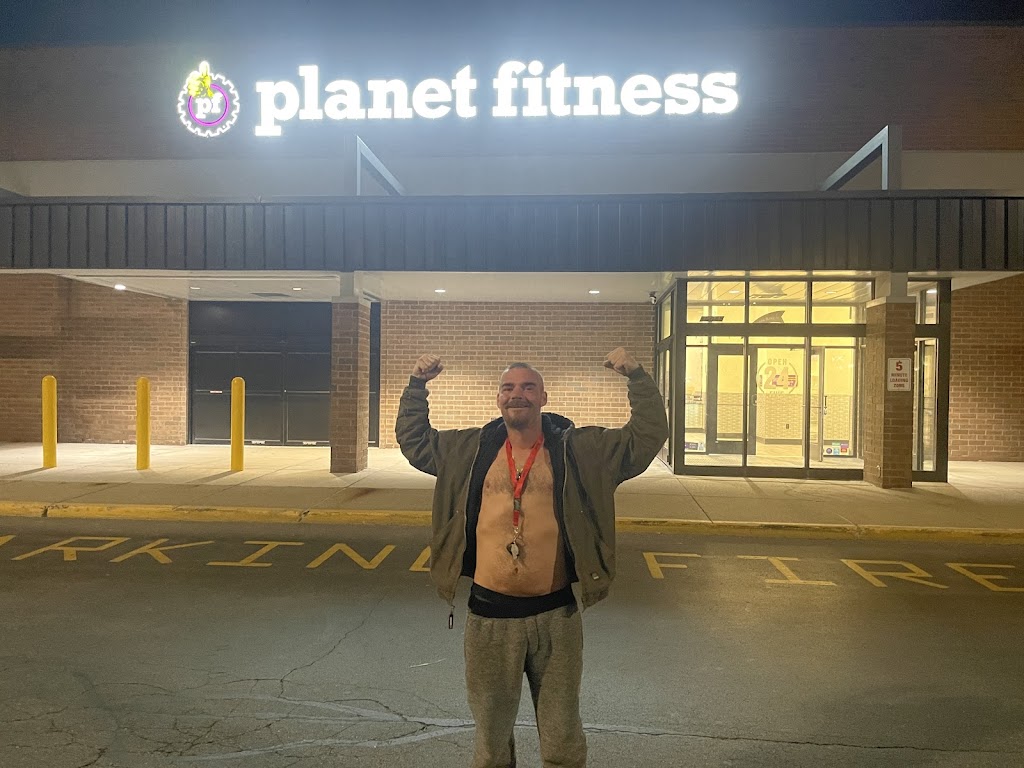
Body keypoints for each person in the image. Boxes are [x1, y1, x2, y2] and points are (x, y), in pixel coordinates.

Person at [396, 347, 668, 768]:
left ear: (543, 397)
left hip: (555, 617)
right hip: (489, 618)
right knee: (491, 744)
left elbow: (644, 437)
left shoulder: (580, 450)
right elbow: (415, 440)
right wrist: (417, 386)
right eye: (508, 387)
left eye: (527, 387)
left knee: (562, 741)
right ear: (498, 398)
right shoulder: (469, 450)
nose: (516, 394)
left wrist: (637, 377)